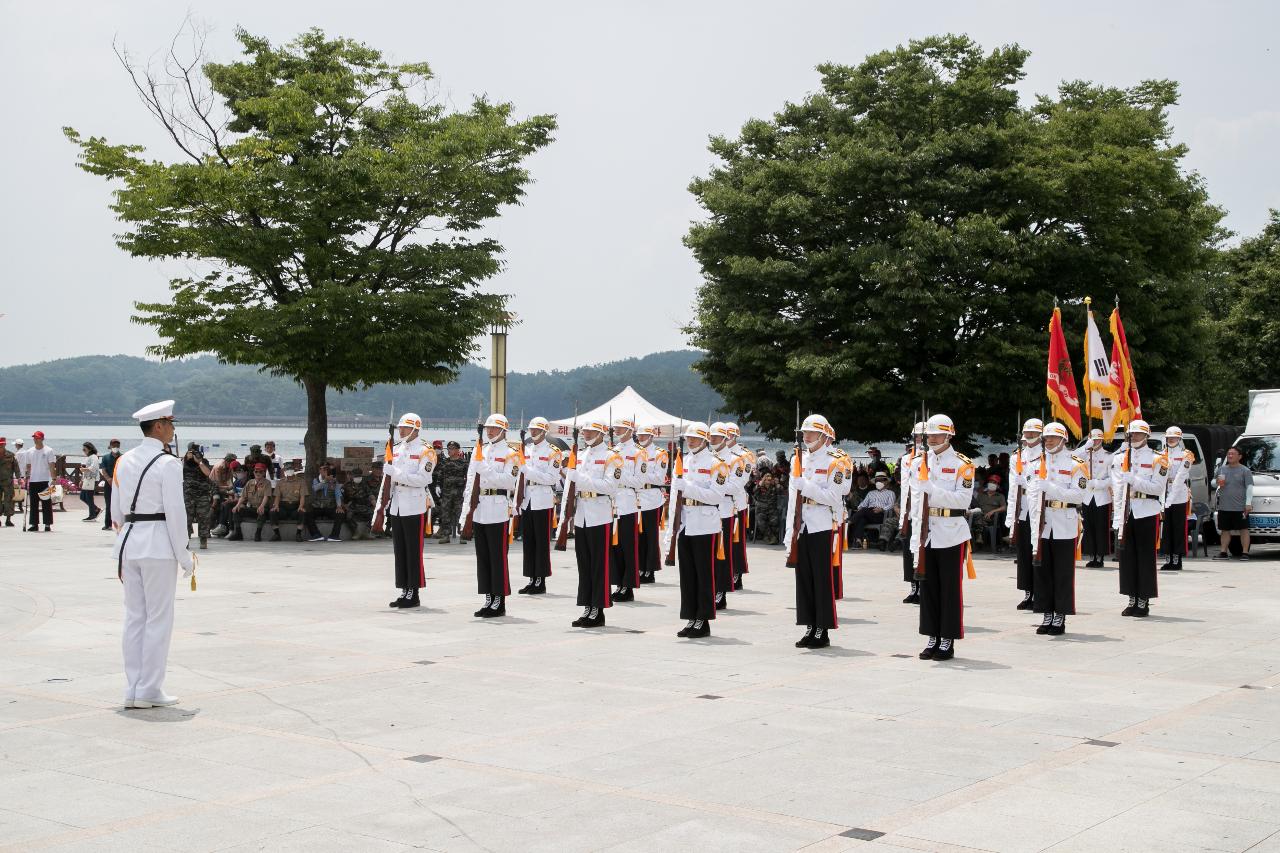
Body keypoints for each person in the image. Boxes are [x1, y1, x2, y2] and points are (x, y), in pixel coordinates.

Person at [112, 400, 194, 708]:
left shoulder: (124, 461)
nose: (173, 429)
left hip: (128, 544)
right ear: (158, 426)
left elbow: (116, 512)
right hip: (158, 545)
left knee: (134, 618)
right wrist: (184, 554)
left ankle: (133, 688)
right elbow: (175, 513)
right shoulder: (168, 463)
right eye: (171, 423)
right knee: (158, 619)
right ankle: (149, 689)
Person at [783, 414, 850, 649]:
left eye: (811, 432)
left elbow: (833, 496)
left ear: (823, 435)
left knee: (821, 579)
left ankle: (822, 629)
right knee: (803, 579)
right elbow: (793, 498)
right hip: (801, 525)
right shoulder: (797, 460)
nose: (806, 436)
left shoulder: (835, 462)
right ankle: (809, 625)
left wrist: (807, 487)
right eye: (804, 432)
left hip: (822, 523)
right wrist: (790, 529)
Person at [912, 414, 975, 661]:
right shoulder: (920, 461)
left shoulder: (963, 464)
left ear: (949, 435)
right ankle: (932, 636)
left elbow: (963, 500)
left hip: (951, 532)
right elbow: (916, 502)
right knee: (928, 588)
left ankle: (947, 639)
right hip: (927, 533)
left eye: (937, 434)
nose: (931, 438)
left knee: (949, 589)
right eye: (929, 434)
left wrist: (933, 491)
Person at [664, 422, 733, 638]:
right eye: (688, 438)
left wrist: (689, 489)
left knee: (704, 574)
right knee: (688, 575)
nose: (690, 441)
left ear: (704, 440)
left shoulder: (717, 464)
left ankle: (703, 620)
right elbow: (676, 496)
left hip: (705, 523)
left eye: (694, 438)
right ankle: (691, 617)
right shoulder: (682, 463)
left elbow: (716, 496)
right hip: (685, 522)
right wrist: (671, 528)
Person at [1026, 422, 1087, 636]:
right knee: (1043, 571)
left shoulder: (1076, 464)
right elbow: (1031, 490)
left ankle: (1060, 615)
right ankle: (1046, 613)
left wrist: (1050, 488)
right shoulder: (1035, 462)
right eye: (1046, 438)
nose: (1049, 441)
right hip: (1042, 522)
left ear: (1063, 439)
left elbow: (1079, 496)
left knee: (1062, 572)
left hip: (1064, 521)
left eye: (1053, 437)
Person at [564, 419, 622, 628]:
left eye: (591, 432)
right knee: (584, 564)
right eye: (585, 432)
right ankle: (587, 606)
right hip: (582, 514)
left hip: (600, 512)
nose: (586, 435)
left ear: (601, 434)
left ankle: (598, 609)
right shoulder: (580, 455)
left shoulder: (611, 457)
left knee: (599, 564)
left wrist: (580, 479)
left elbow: (610, 486)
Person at [460, 413, 516, 617]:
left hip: (498, 508)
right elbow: (470, 482)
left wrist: (486, 469)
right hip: (480, 508)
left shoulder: (512, 453)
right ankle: (488, 598)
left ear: (503, 431)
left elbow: (509, 482)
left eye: (494, 428)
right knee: (483, 556)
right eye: (488, 429)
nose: (490, 431)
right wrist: (466, 510)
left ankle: (499, 600)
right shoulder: (480, 450)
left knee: (497, 556)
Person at [1111, 420, 1166, 616]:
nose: (1134, 437)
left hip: (1147, 510)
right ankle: (1131, 597)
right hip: (1126, 511)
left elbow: (1158, 488)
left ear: (1147, 436)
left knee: (1145, 557)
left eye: (1138, 434)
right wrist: (1116, 517)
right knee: (1127, 558)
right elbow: (1117, 491)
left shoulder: (1158, 459)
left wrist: (1134, 480)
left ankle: (1144, 599)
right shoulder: (1120, 458)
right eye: (1131, 434)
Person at [383, 413, 436, 608]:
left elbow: (422, 479)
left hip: (414, 503)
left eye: (405, 427)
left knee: (414, 550)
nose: (401, 431)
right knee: (401, 550)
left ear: (416, 429)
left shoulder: (426, 451)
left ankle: (414, 592)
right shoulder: (396, 449)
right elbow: (388, 480)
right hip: (397, 503)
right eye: (400, 428)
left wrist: (395, 473)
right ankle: (404, 589)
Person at [517, 417, 560, 594]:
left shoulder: (553, 452)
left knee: (541, 541)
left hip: (542, 498)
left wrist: (528, 471)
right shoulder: (525, 450)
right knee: (528, 541)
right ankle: (531, 578)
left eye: (536, 430)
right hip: (527, 498)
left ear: (544, 431)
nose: (532, 432)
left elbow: (551, 478)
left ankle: (540, 580)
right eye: (531, 430)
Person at [1007, 419, 1045, 610]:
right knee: (1023, 552)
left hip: (1038, 505)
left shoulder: (1045, 455)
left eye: (1032, 433)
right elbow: (1014, 484)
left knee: (1038, 550)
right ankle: (1027, 592)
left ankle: (1040, 592)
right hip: (1023, 507)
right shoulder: (1017, 456)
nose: (1029, 436)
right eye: (1027, 433)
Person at [707, 423, 746, 610]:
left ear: (725, 437)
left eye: (716, 436)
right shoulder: (705, 458)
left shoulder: (736, 460)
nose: (712, 439)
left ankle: (720, 591)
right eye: (711, 436)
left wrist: (713, 488)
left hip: (724, 508)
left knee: (722, 553)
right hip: (705, 509)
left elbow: (735, 487)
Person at [609, 418, 645, 602]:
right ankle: (618, 583)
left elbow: (639, 482)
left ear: (630, 430)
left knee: (627, 546)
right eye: (615, 427)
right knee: (614, 547)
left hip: (628, 502)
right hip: (612, 502)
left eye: (620, 428)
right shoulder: (612, 450)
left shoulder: (639, 453)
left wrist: (619, 474)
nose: (616, 430)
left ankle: (628, 586)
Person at [634, 424, 669, 581]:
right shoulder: (635, 452)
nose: (641, 438)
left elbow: (659, 478)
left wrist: (640, 475)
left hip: (652, 497)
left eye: (644, 435)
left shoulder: (660, 454)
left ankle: (650, 569)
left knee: (651, 535)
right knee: (638, 535)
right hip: (636, 496)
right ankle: (640, 566)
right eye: (639, 435)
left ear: (651, 437)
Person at [723, 423, 755, 589]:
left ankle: (738, 573)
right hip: (720, 501)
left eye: (728, 436)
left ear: (735, 437)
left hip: (737, 502)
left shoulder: (744, 456)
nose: (725, 439)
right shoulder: (716, 453)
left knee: (737, 541)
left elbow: (744, 479)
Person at [1160, 426, 1195, 571]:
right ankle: (1168, 558)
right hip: (1164, 491)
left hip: (1179, 494)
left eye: (1174, 437)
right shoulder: (1161, 454)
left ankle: (1177, 559)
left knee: (1178, 527)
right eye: (1169, 437)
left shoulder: (1186, 455)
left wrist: (1171, 497)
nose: (1171, 439)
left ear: (1179, 438)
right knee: (1166, 528)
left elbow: (1181, 475)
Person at [899, 422, 925, 603]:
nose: (918, 439)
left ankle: (923, 588)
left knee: (921, 549)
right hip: (910, 508)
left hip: (924, 508)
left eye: (921, 436)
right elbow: (904, 489)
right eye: (916, 436)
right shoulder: (906, 459)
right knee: (909, 550)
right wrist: (903, 516)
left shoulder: (929, 457)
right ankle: (913, 587)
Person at [1212, 445, 1254, 561]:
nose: (1230, 455)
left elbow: (1249, 487)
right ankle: (1223, 552)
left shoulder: (1245, 470)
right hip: (1224, 506)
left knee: (1244, 529)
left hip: (1240, 507)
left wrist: (1248, 503)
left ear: (1239, 456)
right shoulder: (1222, 469)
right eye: (1229, 453)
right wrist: (1217, 482)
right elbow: (1213, 483)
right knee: (1225, 530)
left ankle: (1245, 553)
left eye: (1233, 454)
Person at [1080, 428, 1113, 568]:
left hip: (1101, 496)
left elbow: (1112, 479)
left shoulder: (1108, 456)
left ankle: (1100, 556)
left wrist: (1098, 484)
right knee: (1088, 526)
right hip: (1087, 495)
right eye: (1093, 439)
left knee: (1101, 527)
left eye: (1098, 439)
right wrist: (1085, 446)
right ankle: (1091, 554)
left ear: (1102, 440)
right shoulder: (1084, 454)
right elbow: (1072, 458)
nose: (1096, 441)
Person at [181, 442, 215, 549]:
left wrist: (199, 462)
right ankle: (185, 540)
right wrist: (185, 458)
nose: (195, 453)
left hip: (202, 494)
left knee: (203, 517)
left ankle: (203, 540)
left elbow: (208, 473)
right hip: (188, 494)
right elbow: (177, 472)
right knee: (186, 518)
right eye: (192, 451)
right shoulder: (184, 461)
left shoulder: (203, 461)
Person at [434, 441, 469, 543]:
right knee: (446, 513)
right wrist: (437, 486)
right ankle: (446, 535)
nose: (450, 450)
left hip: (459, 491)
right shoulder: (445, 462)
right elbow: (440, 475)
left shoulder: (464, 462)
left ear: (458, 450)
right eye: (448, 448)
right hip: (447, 492)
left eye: (452, 448)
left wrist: (467, 489)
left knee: (460, 513)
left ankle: (462, 535)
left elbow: (468, 477)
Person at [228, 463, 273, 541]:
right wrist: (237, 505)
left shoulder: (267, 483)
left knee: (261, 512)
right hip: (251, 507)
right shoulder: (250, 482)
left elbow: (266, 496)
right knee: (236, 511)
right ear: (253, 472)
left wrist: (262, 506)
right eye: (256, 471)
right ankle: (238, 533)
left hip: (262, 508)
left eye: (260, 472)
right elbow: (243, 496)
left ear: (264, 473)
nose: (258, 473)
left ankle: (258, 533)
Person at [23, 430, 57, 532]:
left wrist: (54, 479)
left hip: (44, 480)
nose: (35, 439)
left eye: (37, 438)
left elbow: (52, 466)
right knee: (33, 504)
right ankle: (34, 524)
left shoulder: (48, 450)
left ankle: (47, 524)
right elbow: (28, 466)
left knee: (46, 503)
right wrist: (26, 476)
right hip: (33, 480)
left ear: (42, 438)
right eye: (34, 438)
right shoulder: (29, 451)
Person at [849, 472, 895, 547]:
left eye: (881, 480)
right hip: (868, 513)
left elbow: (891, 505)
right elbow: (863, 504)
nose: (879, 482)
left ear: (886, 482)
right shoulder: (871, 493)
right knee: (862, 518)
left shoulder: (890, 493)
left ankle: (849, 521)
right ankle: (858, 541)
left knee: (863, 511)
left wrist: (882, 509)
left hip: (880, 514)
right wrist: (859, 508)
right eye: (877, 480)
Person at [268, 462, 308, 542]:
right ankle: (277, 534)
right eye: (287, 469)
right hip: (283, 506)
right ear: (284, 470)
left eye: (291, 469)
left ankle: (298, 534)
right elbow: (277, 496)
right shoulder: (280, 482)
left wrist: (301, 506)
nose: (289, 471)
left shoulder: (301, 481)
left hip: (295, 505)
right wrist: (276, 506)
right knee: (272, 512)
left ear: (294, 469)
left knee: (302, 512)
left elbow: (302, 496)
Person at [306, 463, 346, 542]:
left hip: (330, 507)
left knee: (340, 514)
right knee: (307, 515)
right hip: (317, 507)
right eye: (321, 469)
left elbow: (337, 494)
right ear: (319, 471)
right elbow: (315, 488)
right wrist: (325, 481)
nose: (323, 471)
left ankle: (334, 536)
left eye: (325, 470)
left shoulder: (334, 481)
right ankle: (316, 535)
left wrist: (339, 506)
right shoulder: (315, 480)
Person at [967, 474, 1007, 551]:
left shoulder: (1000, 496)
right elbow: (976, 506)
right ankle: (976, 539)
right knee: (975, 516)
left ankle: (979, 536)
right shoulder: (981, 495)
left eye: (994, 482)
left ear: (998, 485)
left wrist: (993, 511)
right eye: (991, 481)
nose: (992, 483)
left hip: (991, 518)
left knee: (975, 520)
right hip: (979, 516)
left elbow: (1004, 507)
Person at [343, 466, 378, 539]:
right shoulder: (347, 485)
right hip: (352, 506)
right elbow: (341, 497)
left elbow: (371, 496)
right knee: (348, 516)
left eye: (359, 476)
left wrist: (375, 506)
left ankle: (367, 532)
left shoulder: (365, 484)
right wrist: (344, 505)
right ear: (352, 476)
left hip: (364, 505)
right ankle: (356, 532)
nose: (358, 478)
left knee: (374, 515)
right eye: (356, 476)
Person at [209, 454, 239, 537]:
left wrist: (232, 490)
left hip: (223, 487)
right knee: (218, 501)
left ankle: (224, 526)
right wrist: (228, 490)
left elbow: (229, 480)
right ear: (227, 461)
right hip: (213, 487)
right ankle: (218, 526)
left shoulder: (229, 467)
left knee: (229, 500)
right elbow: (218, 484)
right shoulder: (219, 467)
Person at [99, 438, 123, 530]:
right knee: (109, 504)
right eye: (114, 445)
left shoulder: (122, 457)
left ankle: (120, 523)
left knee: (120, 504)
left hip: (120, 484)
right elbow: (103, 470)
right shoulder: (105, 457)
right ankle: (108, 524)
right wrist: (109, 479)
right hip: (108, 484)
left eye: (117, 445)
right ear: (110, 446)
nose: (115, 447)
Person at [752, 471, 782, 545]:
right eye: (765, 480)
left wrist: (777, 483)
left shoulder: (774, 487)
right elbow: (754, 492)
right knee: (760, 521)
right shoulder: (759, 487)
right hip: (761, 510)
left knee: (774, 521)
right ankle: (771, 537)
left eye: (769, 480)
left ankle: (771, 537)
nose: (767, 482)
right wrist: (759, 485)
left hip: (772, 509)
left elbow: (781, 490)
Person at [79, 442, 102, 522]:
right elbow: (86, 469)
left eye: (84, 449)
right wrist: (82, 480)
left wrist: (84, 469)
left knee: (89, 497)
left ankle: (92, 515)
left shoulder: (94, 457)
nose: (83, 451)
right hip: (87, 479)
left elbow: (94, 467)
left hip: (91, 479)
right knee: (82, 496)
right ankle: (96, 509)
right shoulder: (89, 457)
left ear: (89, 449)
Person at [0, 437, 16, 527]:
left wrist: (19, 477)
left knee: (9, 501)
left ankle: (8, 519)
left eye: (2, 444)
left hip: (7, 482)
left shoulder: (10, 455)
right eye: (0, 444)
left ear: (5, 444)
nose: (1, 445)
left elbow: (16, 467)